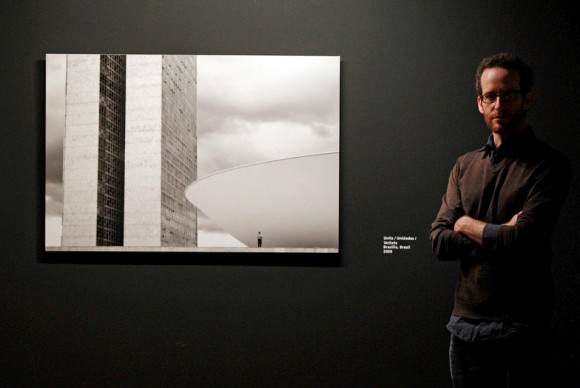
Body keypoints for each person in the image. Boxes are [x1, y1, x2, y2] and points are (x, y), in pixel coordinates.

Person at [429, 53, 571, 387]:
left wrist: (465, 224)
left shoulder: (549, 165)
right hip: (464, 325)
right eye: (490, 96)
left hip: (521, 328)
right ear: (480, 103)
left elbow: (523, 240)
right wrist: (498, 233)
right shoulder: (464, 165)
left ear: (527, 99)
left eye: (508, 94)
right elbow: (438, 239)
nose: (499, 104)